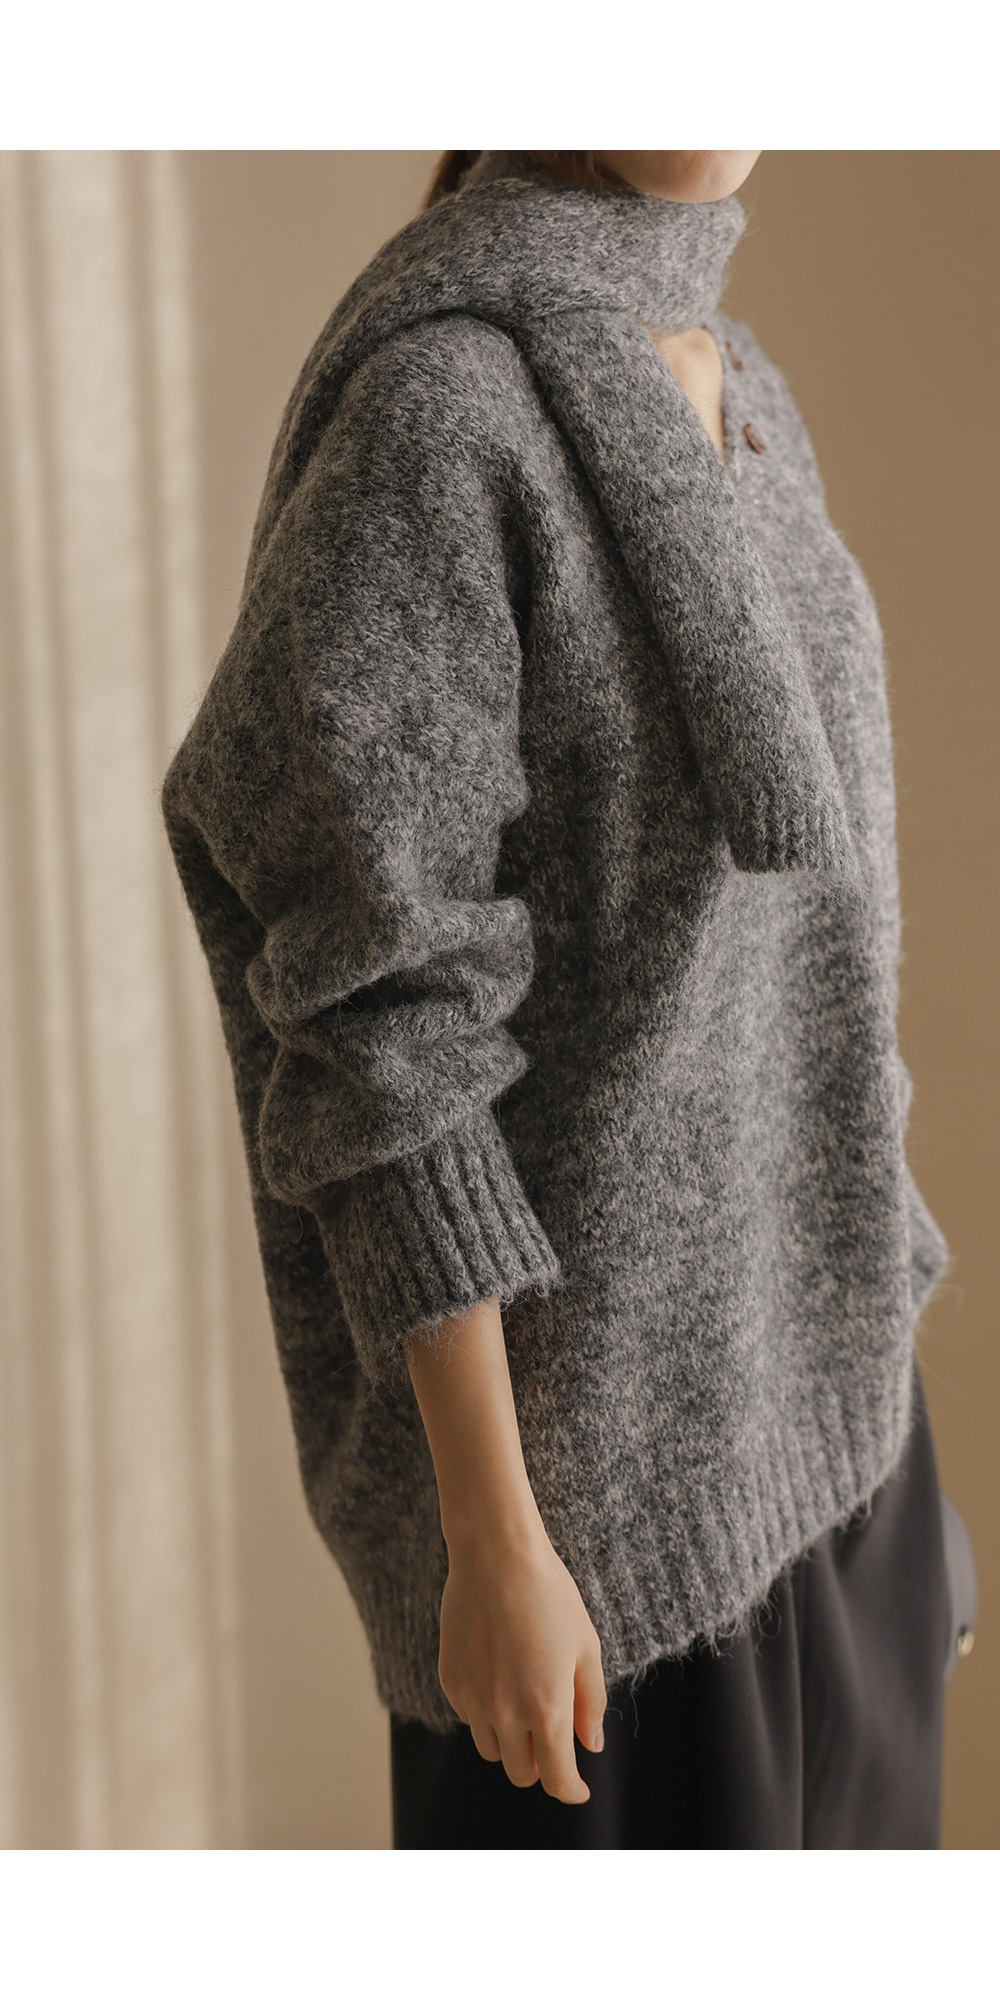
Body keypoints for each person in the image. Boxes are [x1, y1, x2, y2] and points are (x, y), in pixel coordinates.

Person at [162, 150, 953, 1848]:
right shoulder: (435, 419)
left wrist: (892, 1425)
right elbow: (381, 1021)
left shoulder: (742, 379)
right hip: (593, 1572)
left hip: (846, 1466)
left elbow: (824, 950)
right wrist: (492, 1540)